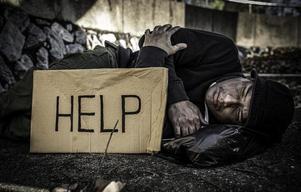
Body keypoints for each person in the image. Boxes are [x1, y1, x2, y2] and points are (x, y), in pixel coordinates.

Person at [0, 25, 295, 145]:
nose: (227, 101)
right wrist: (176, 99)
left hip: (110, 112)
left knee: (27, 130)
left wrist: (158, 61)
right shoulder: (223, 52)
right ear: (248, 77)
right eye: (242, 92)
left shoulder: (212, 133)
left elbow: (157, 56)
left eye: (239, 113)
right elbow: (152, 40)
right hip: (115, 65)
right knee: (34, 92)